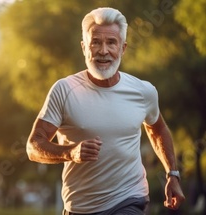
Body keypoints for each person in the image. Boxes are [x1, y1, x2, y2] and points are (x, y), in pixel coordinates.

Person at [26, 7, 185, 214]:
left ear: (123, 48)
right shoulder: (64, 90)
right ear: (84, 48)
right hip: (79, 207)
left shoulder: (143, 91)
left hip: (129, 198)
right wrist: (70, 152)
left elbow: (158, 129)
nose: (103, 51)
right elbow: (33, 146)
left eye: (111, 42)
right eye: (95, 42)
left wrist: (172, 174)